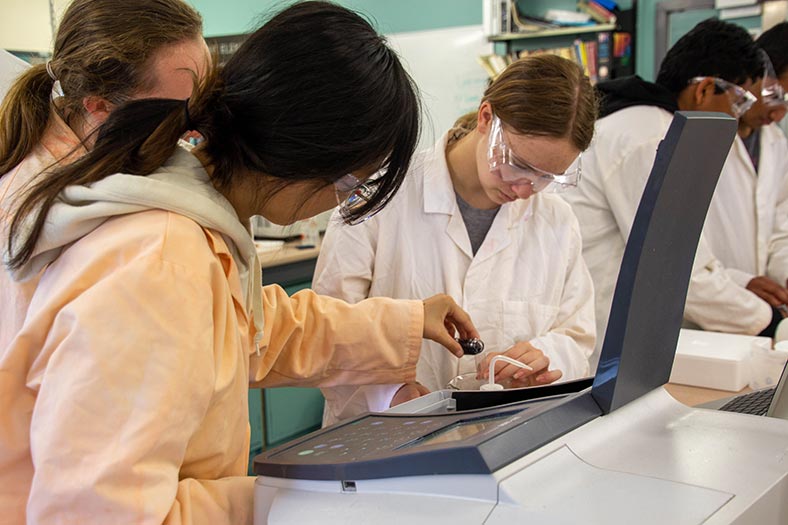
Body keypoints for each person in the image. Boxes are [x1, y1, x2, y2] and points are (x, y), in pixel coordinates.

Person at [0, 2, 479, 524]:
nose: (341, 202)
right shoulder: (161, 258)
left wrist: (407, 323)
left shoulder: (192, 220)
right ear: (299, 159)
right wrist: (296, 501)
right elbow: (97, 513)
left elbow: (252, 330)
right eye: (349, 183)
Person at [314, 54, 598, 425]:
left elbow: (577, 337)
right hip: (383, 441)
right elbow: (324, 334)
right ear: (486, 118)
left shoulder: (556, 221)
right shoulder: (380, 197)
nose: (526, 188)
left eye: (548, 176)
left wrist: (544, 357)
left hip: (505, 440)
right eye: (520, 164)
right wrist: (390, 394)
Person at [0, 0, 211, 352]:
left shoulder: (111, 163)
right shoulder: (30, 215)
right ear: (99, 106)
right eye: (182, 112)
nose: (196, 127)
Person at [561, 19, 767, 370]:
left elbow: (683, 255)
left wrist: (740, 283)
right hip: (598, 339)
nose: (740, 119)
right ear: (704, 90)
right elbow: (675, 269)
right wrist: (766, 320)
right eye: (740, 102)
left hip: (603, 329)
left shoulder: (641, 121)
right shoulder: (649, 138)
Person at [702, 22, 788, 335]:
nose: (779, 113)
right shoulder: (701, 141)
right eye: (776, 96)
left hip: (752, 316)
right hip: (700, 319)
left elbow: (781, 229)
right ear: (753, 78)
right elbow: (681, 255)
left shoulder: (776, 145)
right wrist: (738, 283)